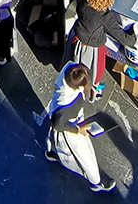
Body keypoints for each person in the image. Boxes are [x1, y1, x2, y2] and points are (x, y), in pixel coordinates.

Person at [44, 62, 117, 193]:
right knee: (84, 155)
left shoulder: (69, 70)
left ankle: (52, 153)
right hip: (69, 127)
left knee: (55, 140)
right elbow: (59, 124)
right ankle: (96, 182)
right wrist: (78, 130)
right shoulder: (67, 105)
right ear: (77, 88)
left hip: (59, 117)